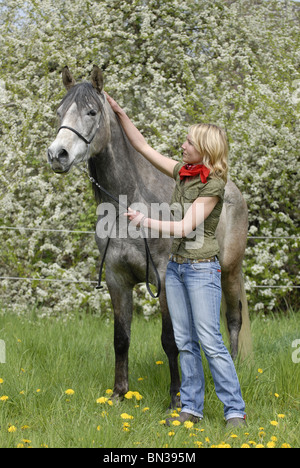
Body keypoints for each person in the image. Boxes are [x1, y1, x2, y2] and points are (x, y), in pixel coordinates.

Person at [105, 92, 246, 428]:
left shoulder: (213, 185)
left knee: (210, 341)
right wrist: (120, 114)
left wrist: (145, 219)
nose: (182, 145)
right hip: (178, 270)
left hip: (201, 271)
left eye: (188, 141)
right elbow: (144, 148)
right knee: (184, 342)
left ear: (205, 150)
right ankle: (191, 409)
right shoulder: (183, 172)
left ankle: (235, 411)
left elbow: (185, 227)